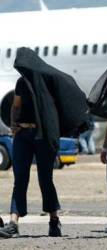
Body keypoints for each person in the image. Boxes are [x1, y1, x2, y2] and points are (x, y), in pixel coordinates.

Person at [0, 77, 61, 238]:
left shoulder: (48, 81)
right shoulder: (21, 81)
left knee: (45, 179)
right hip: (23, 135)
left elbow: (55, 108)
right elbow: (16, 105)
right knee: (19, 178)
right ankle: (13, 223)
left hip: (43, 136)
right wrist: (14, 126)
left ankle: (54, 220)